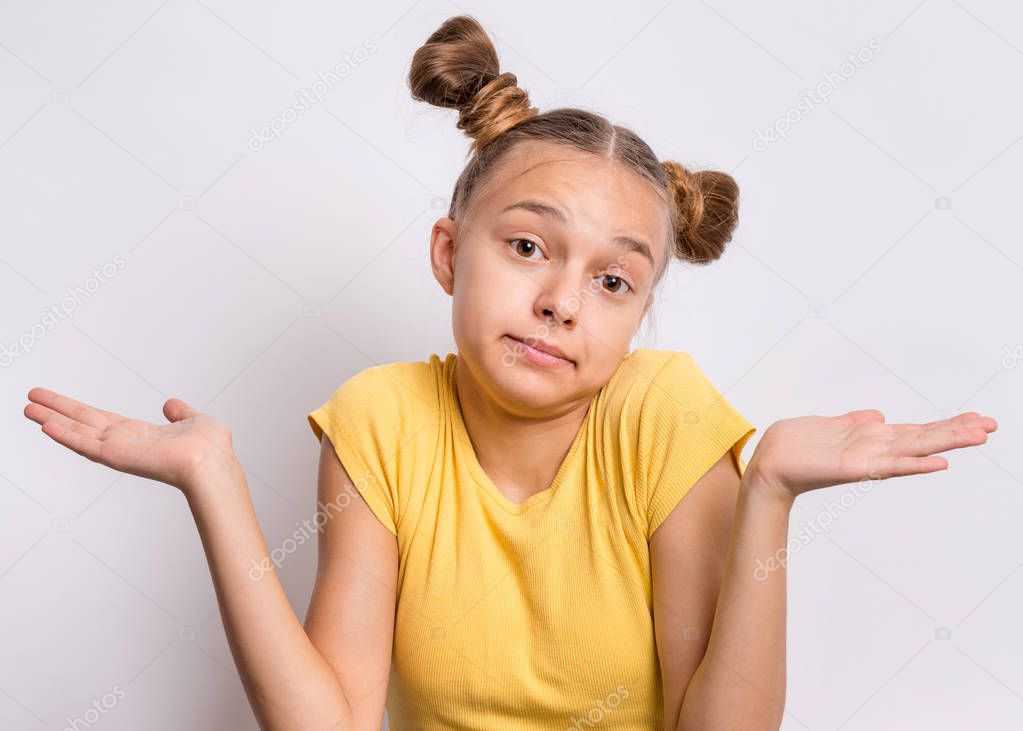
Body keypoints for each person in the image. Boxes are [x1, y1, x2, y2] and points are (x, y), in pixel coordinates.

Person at [23, 14, 998, 731]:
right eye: (530, 247)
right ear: (451, 252)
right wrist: (214, 482)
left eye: (613, 279)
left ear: (639, 310)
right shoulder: (382, 420)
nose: (564, 300)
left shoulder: (666, 414)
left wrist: (771, 491)